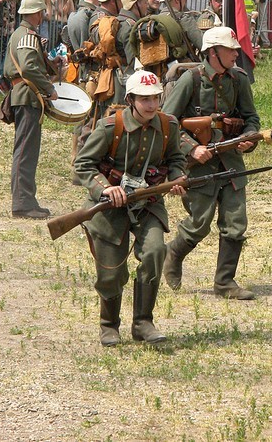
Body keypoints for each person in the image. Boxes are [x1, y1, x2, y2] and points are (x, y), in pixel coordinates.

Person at [73, 70, 187, 346]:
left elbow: (176, 159)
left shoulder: (168, 125)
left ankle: (143, 323)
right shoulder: (110, 127)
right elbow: (83, 165)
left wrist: (176, 178)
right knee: (111, 271)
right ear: (130, 100)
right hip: (109, 207)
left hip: (148, 203)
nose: (151, 105)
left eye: (155, 98)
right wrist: (105, 189)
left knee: (155, 252)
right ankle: (108, 325)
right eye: (144, 99)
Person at [161, 27, 261, 300]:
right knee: (199, 223)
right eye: (230, 50)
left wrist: (248, 137)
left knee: (235, 223)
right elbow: (167, 122)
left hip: (230, 161)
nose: (236, 54)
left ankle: (225, 282)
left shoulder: (239, 80)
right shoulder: (191, 80)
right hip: (200, 165)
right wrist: (192, 148)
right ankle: (173, 253)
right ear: (213, 52)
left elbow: (251, 118)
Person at [3, 0, 58, 219]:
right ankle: (23, 204)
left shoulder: (21, 33)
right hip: (27, 95)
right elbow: (27, 68)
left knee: (26, 151)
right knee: (25, 152)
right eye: (42, 12)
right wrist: (49, 88)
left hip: (25, 94)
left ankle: (27, 201)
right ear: (37, 13)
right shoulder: (27, 35)